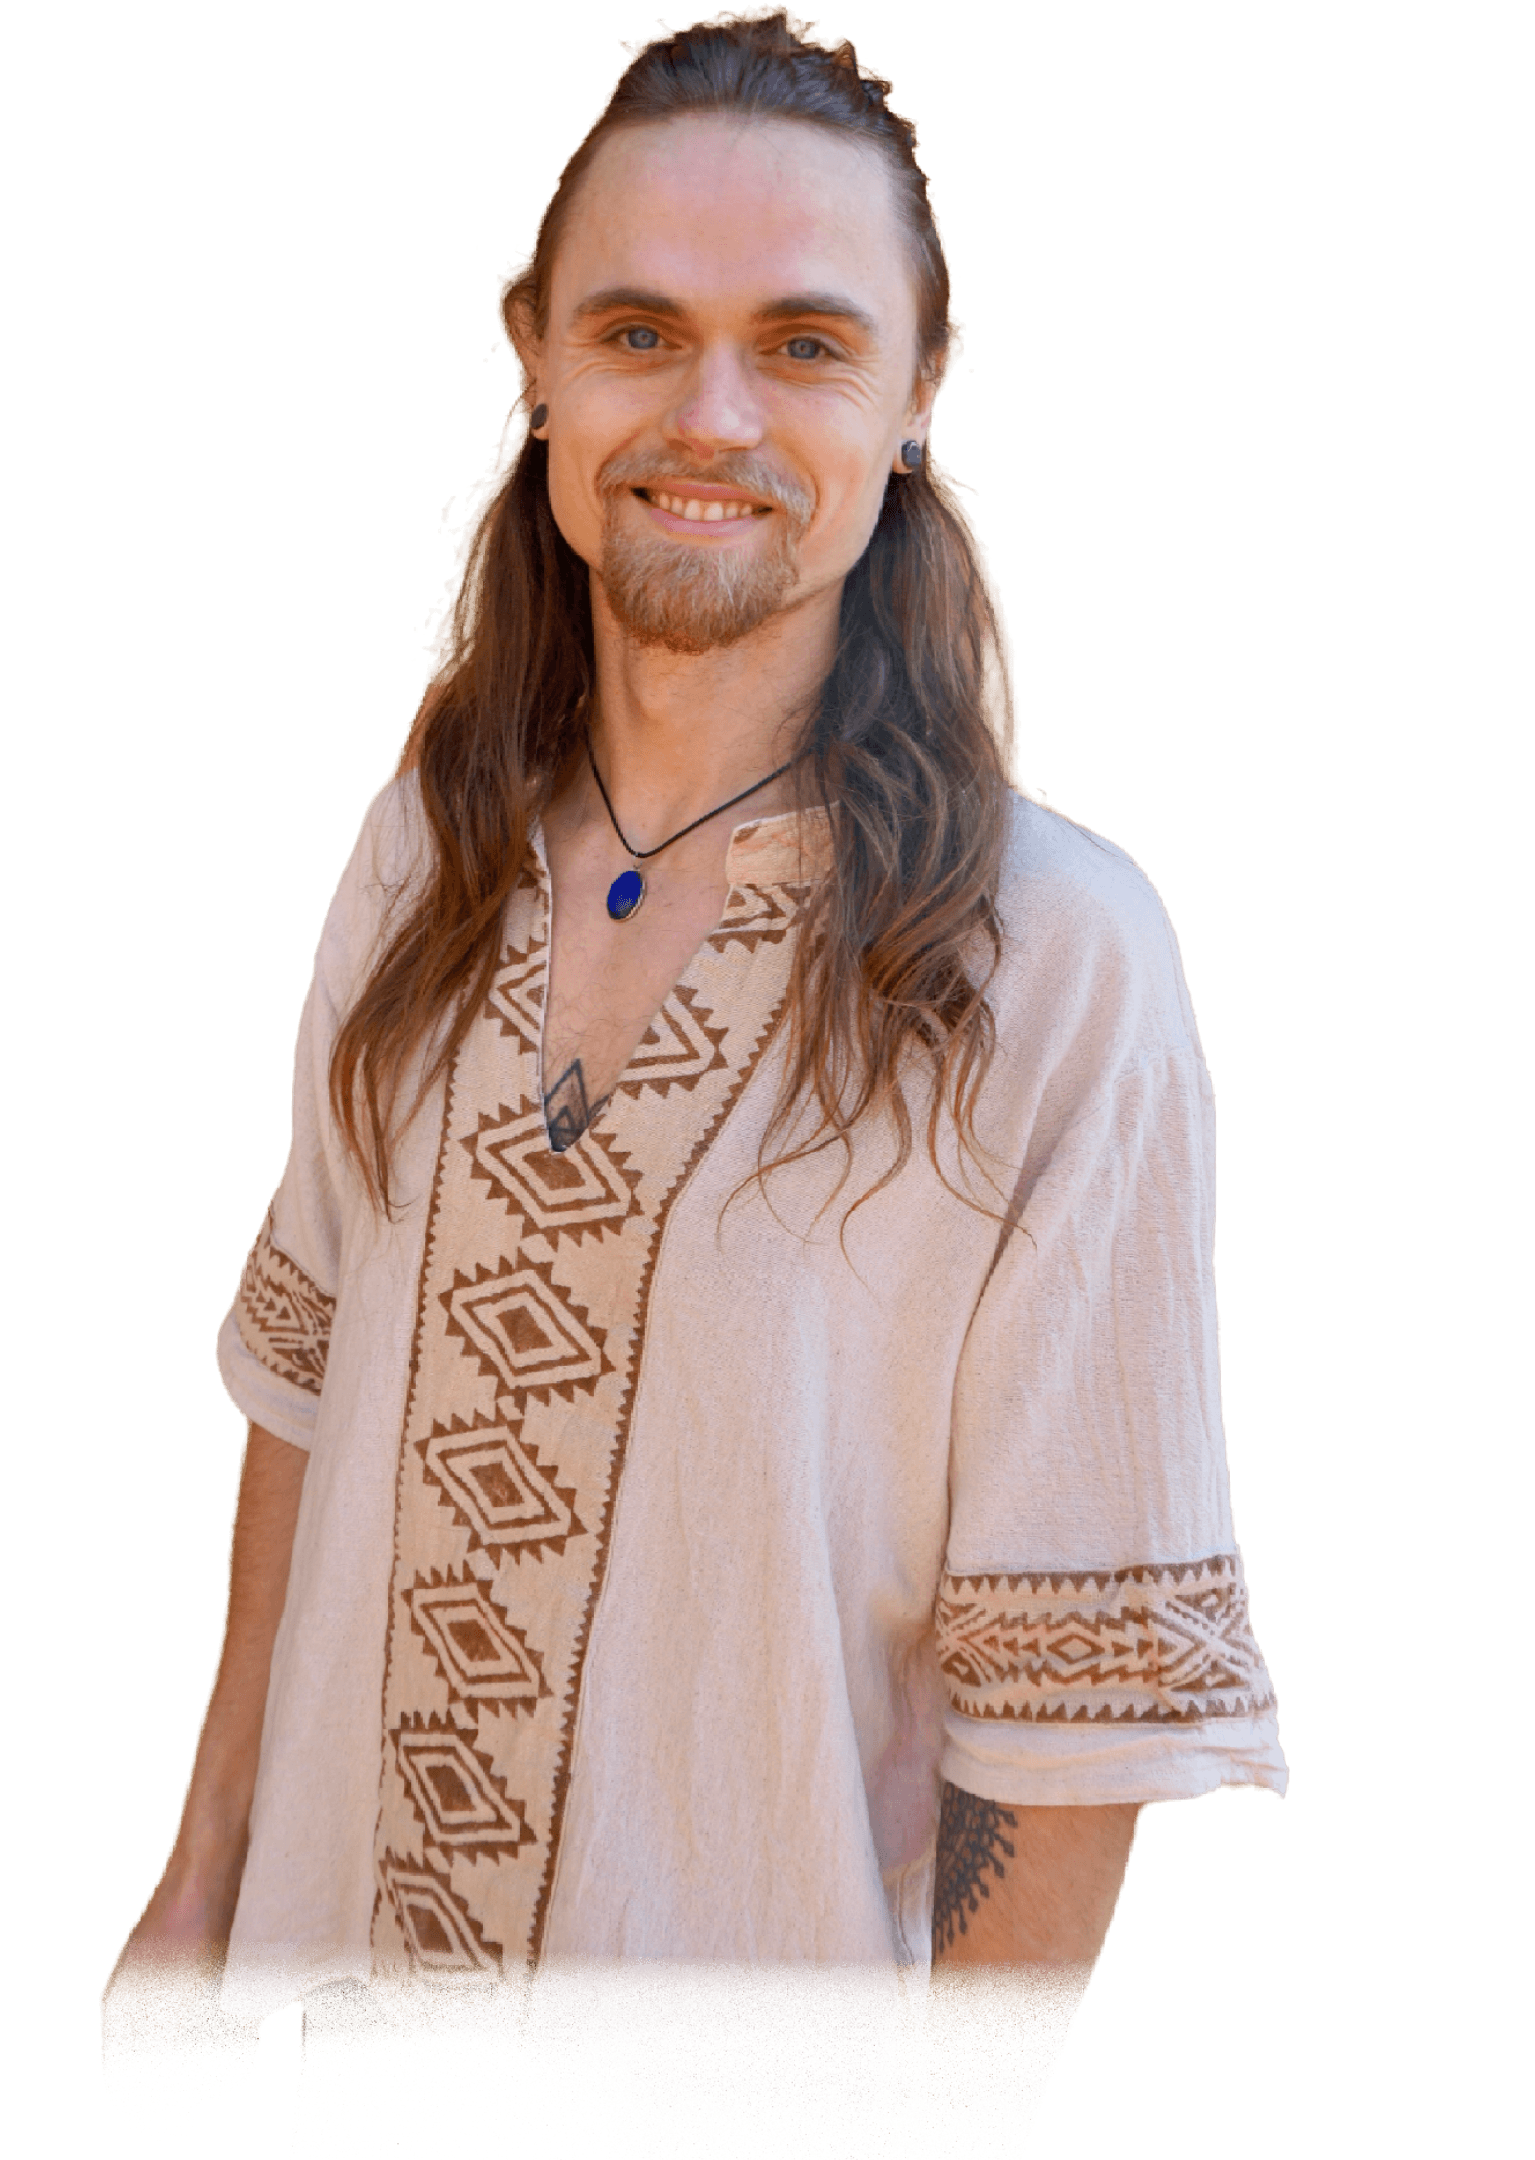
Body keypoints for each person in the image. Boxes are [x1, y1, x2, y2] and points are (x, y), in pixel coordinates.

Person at [102, 9, 1288, 2148]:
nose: (710, 415)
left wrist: (931, 2136)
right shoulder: (423, 856)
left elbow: (1074, 1713)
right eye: (639, 331)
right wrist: (195, 1893)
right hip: (376, 2075)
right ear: (535, 359)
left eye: (805, 344)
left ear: (920, 395)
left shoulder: (1047, 960)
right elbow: (304, 1385)